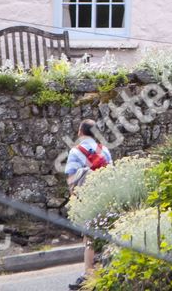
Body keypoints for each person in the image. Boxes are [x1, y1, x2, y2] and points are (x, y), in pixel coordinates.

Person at [64, 120, 111, 290]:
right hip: (105, 196)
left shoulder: (76, 151)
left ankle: (88, 273)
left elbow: (71, 179)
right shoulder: (104, 150)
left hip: (86, 198)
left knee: (89, 236)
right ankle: (106, 268)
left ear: (80, 132)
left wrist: (74, 201)